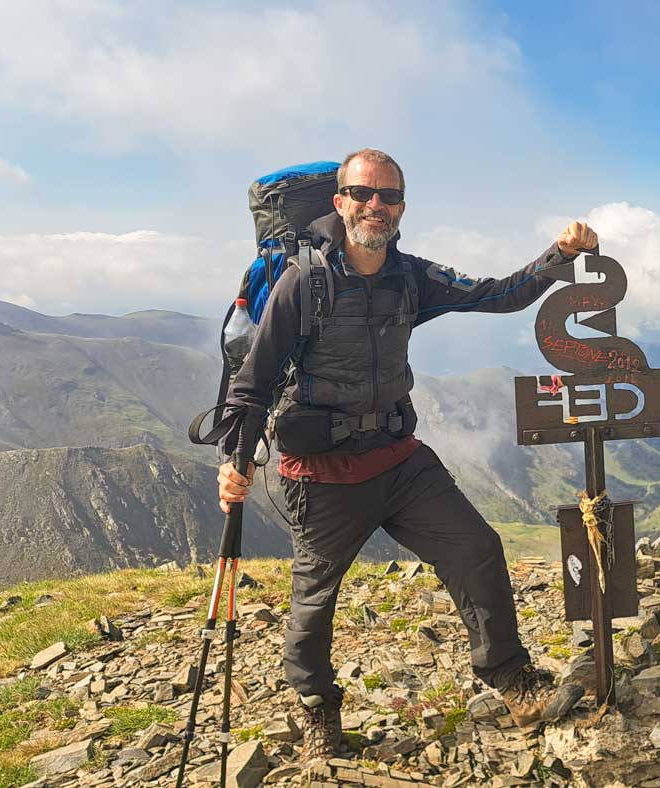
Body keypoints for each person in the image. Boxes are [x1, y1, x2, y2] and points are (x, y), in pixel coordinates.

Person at [216, 147, 597, 761]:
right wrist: (237, 461)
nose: (376, 206)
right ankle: (318, 712)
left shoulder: (412, 276)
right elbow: (253, 381)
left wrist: (561, 255)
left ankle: (511, 679)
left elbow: (498, 295)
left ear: (402, 207)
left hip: (399, 458)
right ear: (339, 202)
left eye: (388, 196)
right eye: (363, 194)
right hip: (324, 473)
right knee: (315, 599)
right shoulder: (301, 281)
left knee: (477, 548)